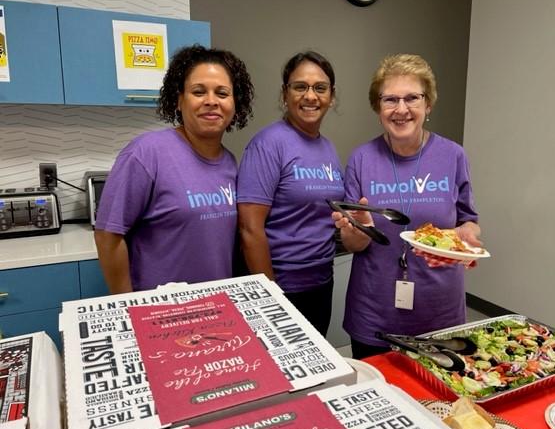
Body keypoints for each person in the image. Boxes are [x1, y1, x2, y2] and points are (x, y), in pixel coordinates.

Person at [333, 54, 482, 359]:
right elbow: (352, 241)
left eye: (412, 98)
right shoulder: (362, 159)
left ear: (428, 105)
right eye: (390, 100)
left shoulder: (452, 156)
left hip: (440, 313)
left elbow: (469, 219)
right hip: (375, 313)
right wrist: (361, 230)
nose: (401, 109)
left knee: (437, 403)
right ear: (378, 108)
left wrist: (466, 236)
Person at [94, 45, 254, 293]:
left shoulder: (230, 163)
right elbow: (108, 235)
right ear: (179, 100)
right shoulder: (146, 153)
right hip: (160, 311)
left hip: (216, 305)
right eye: (198, 92)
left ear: (235, 104)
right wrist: (128, 307)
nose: (211, 101)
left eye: (222, 93)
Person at [237, 51, 344, 336]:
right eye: (300, 87)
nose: (311, 96)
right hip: (282, 285)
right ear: (285, 94)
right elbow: (250, 228)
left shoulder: (328, 149)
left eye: (320, 88)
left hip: (321, 280)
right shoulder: (268, 145)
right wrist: (271, 295)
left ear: (331, 96)